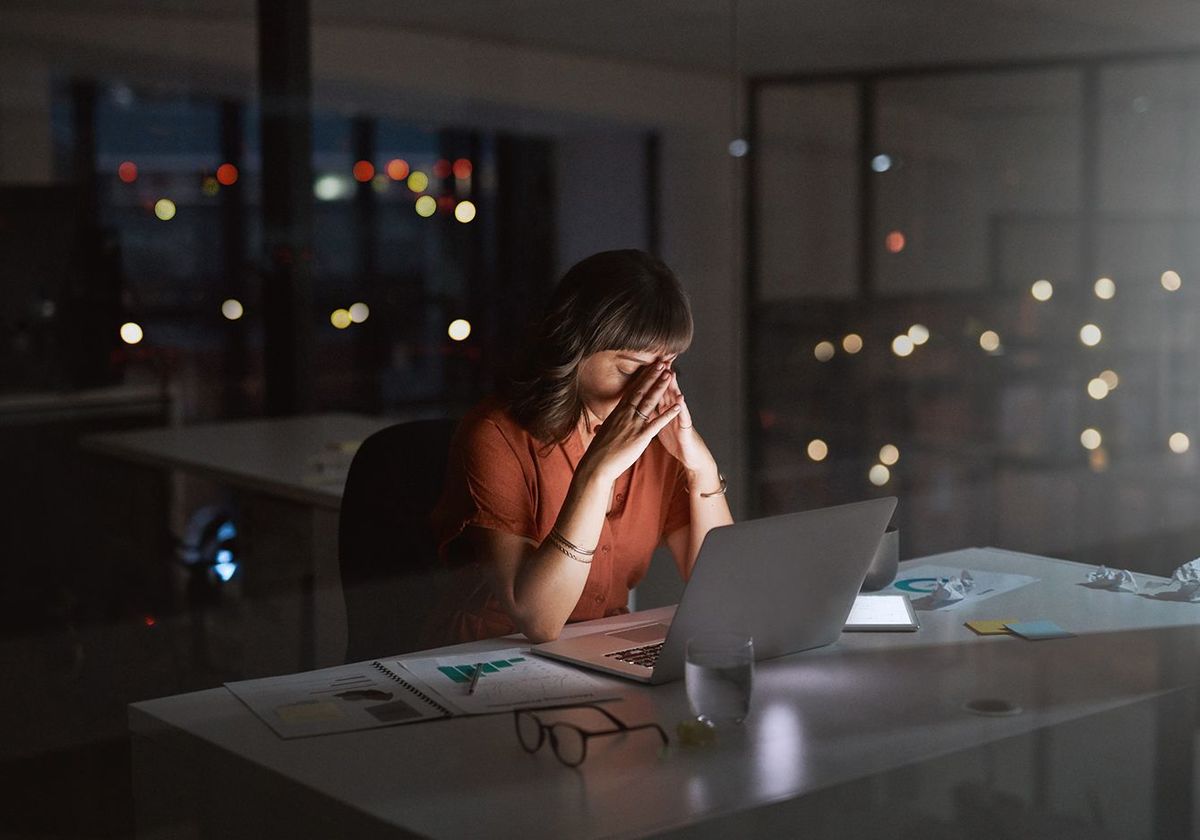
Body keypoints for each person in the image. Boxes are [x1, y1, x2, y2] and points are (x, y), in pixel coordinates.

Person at [422, 249, 733, 645]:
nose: (649, 387)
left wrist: (700, 467)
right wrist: (598, 472)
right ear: (574, 348)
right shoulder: (494, 435)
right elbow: (538, 620)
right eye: (631, 368)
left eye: (666, 366)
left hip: (596, 652)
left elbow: (722, 588)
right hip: (485, 661)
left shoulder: (658, 445)